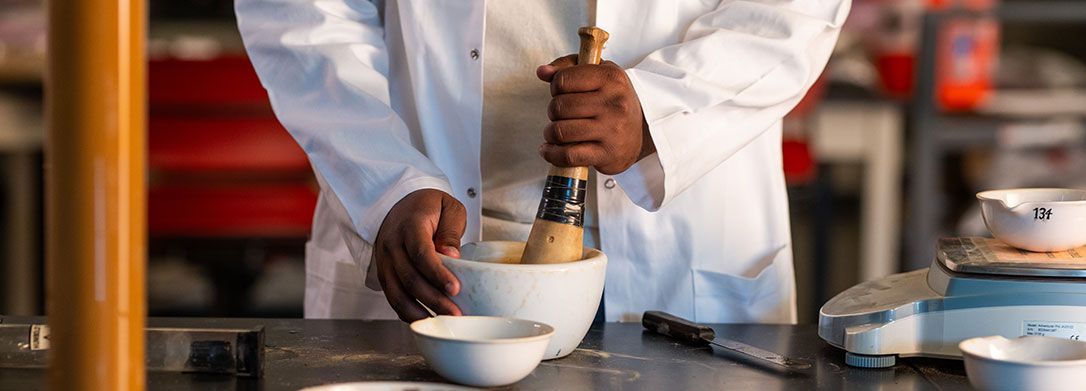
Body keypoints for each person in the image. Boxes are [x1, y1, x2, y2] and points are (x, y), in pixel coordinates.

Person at [235, 0, 848, 323]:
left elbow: (794, 8)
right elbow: (302, 12)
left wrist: (663, 109)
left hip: (677, 262)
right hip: (442, 250)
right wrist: (383, 180)